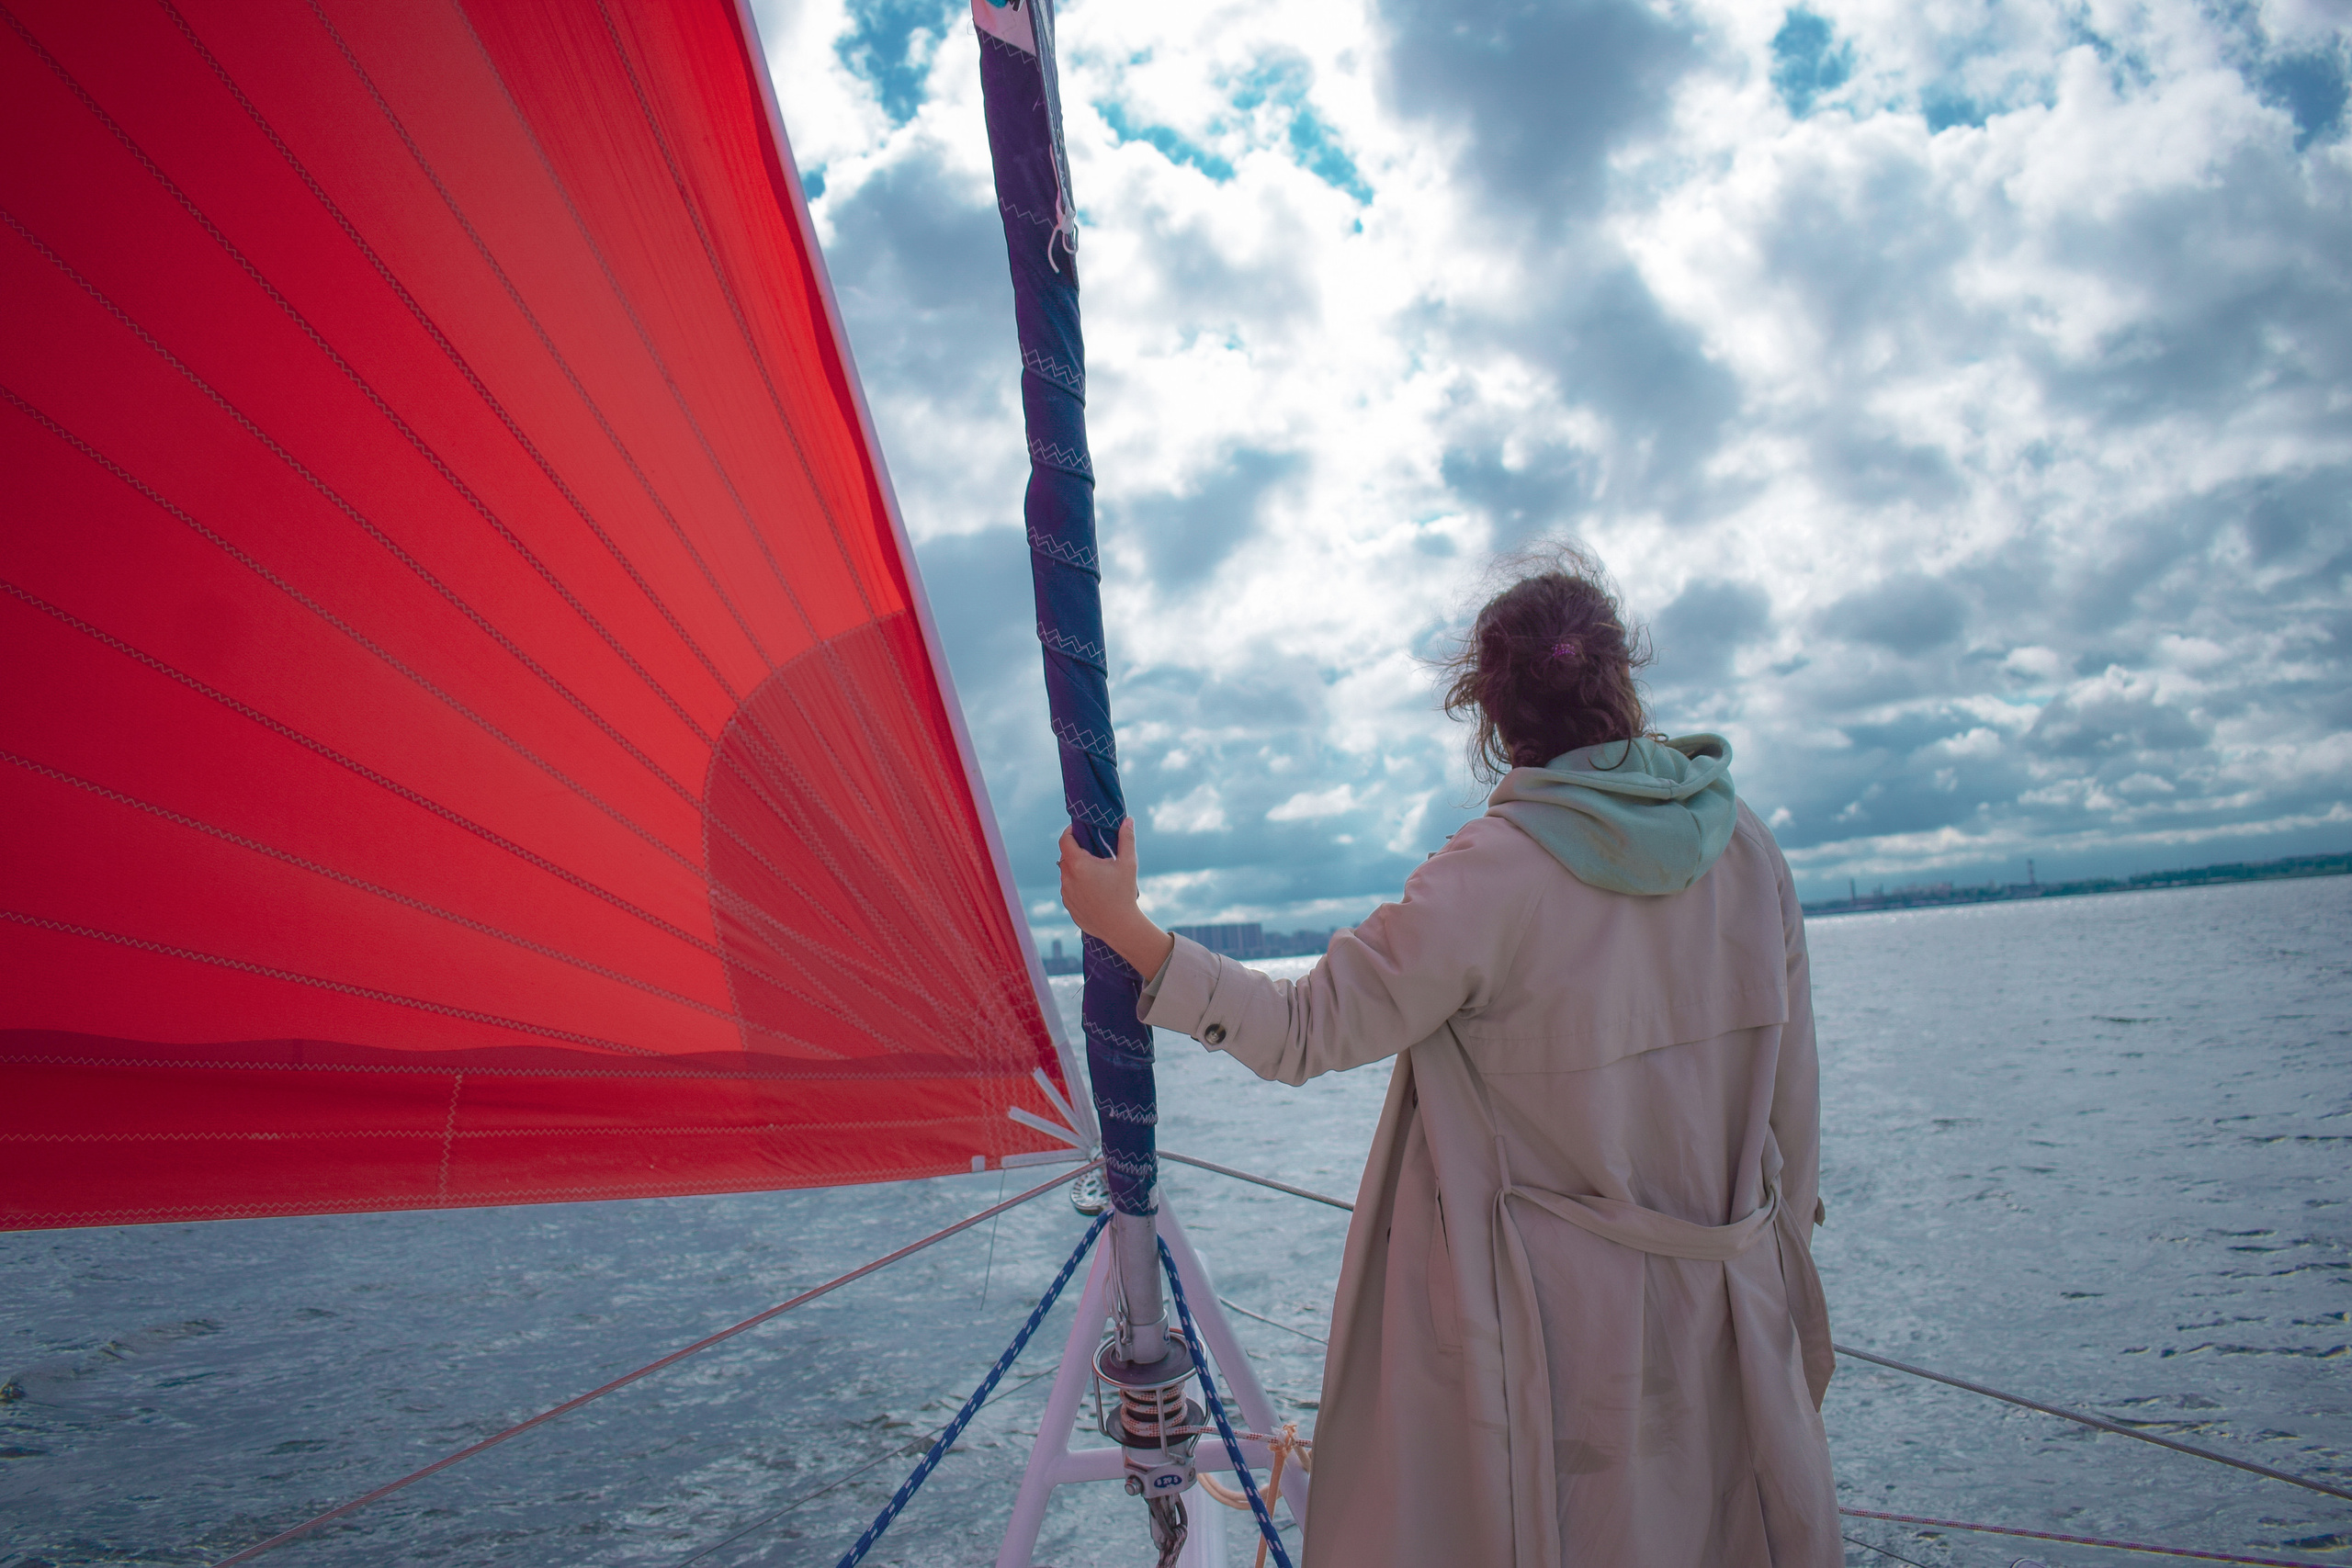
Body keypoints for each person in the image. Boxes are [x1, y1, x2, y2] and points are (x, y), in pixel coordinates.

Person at [1057, 547, 1839, 1568]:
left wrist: (1128, 930)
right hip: (1733, 1307)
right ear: (1623, 679)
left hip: (1557, 1343)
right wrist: (1779, 1275)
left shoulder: (1489, 881)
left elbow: (1302, 1030)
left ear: (1490, 715)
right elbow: (1793, 1108)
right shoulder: (1748, 851)